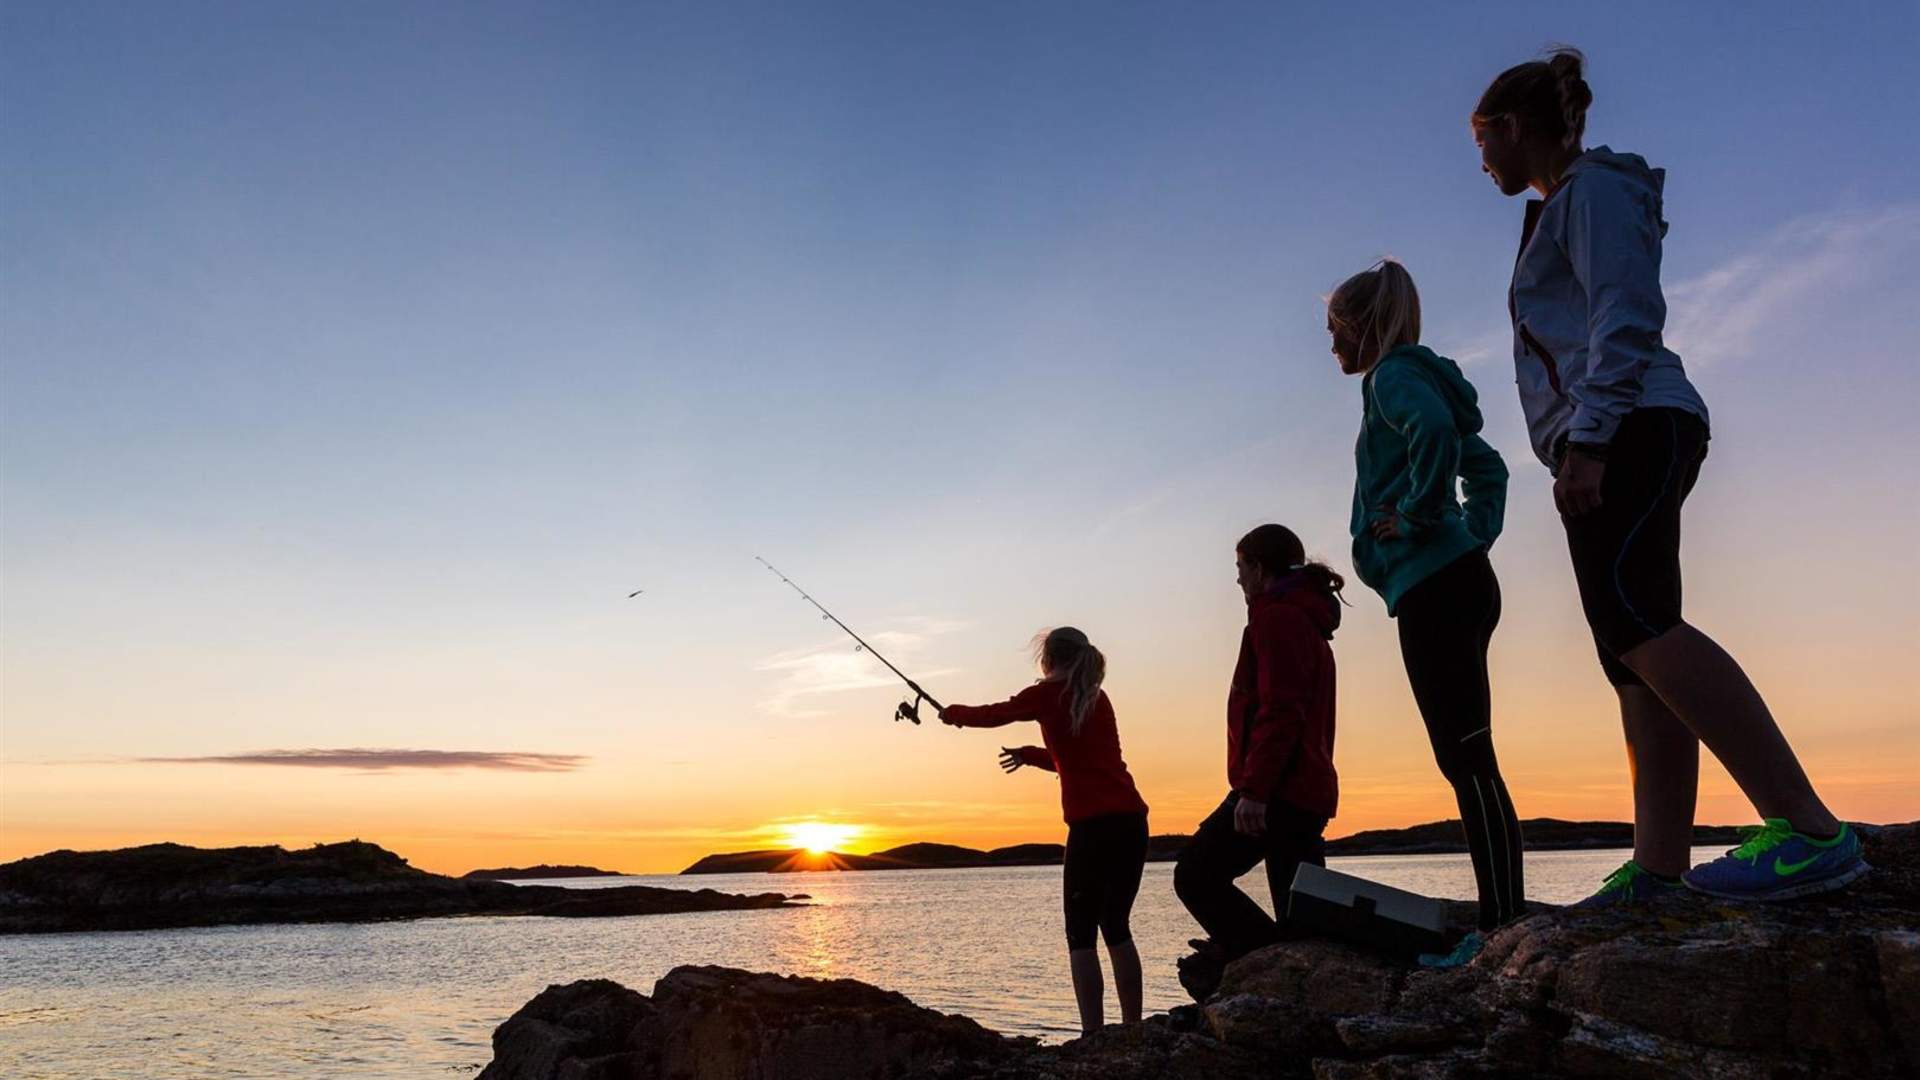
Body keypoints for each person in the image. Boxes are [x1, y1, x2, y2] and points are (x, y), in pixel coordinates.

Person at [1471, 47, 1867, 904]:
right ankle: (1659, 869)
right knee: (1630, 647)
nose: (1480, 159)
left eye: (1481, 139)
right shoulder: (1560, 209)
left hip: (1631, 424)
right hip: (1610, 430)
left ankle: (1808, 830)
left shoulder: (1594, 192)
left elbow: (1627, 313)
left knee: (1640, 620)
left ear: (1509, 126)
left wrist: (1592, 438)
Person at [1328, 259, 1524, 958]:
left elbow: (1436, 433)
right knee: (1472, 756)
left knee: (1467, 758)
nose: (1331, 347)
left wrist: (1417, 518)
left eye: (1334, 331)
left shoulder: (1392, 379)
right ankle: (1502, 919)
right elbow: (1489, 469)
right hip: (1461, 577)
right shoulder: (1413, 377)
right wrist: (1472, 533)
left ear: (1361, 327)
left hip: (1436, 588)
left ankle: (1500, 929)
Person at [939, 627, 1149, 1035]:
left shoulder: (1046, 695)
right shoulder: (1095, 698)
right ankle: (1133, 1030)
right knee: (1117, 926)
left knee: (1081, 935)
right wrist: (1031, 756)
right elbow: (1079, 760)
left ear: (1047, 659)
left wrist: (953, 714)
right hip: (1131, 824)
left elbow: (994, 714)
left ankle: (1092, 1036)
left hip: (1092, 828)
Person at [1173, 524, 1341, 962]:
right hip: (1306, 788)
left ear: (1260, 569)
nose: (1237, 579)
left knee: (1194, 876)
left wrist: (1255, 791)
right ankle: (1286, 979)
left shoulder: (1278, 618)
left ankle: (1263, 965)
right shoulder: (1304, 618)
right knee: (1300, 919)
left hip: (1282, 789)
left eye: (1240, 568)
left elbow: (1281, 711)